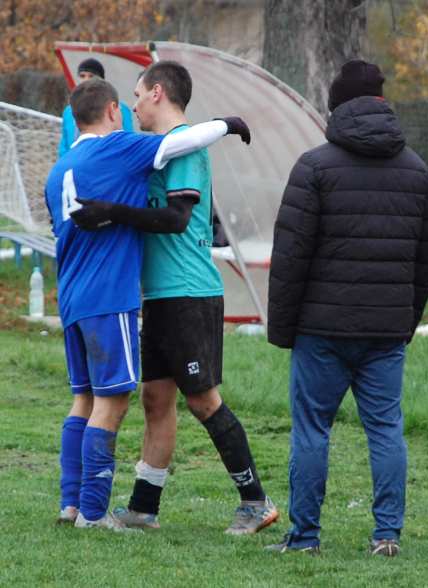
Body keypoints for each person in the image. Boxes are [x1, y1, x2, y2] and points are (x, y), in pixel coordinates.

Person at [71, 60, 278, 535]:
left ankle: (255, 501)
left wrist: (113, 213)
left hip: (188, 293)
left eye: (139, 94)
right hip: (162, 296)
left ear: (158, 92)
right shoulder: (157, 149)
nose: (134, 104)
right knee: (155, 399)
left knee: (203, 401)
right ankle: (144, 507)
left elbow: (176, 218)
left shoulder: (187, 149)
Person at [264, 60, 428, 557]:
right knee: (385, 430)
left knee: (312, 430)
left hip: (321, 329)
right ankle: (386, 535)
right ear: (384, 103)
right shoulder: (418, 172)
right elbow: (427, 260)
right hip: (386, 330)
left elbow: (290, 256)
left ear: (336, 107)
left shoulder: (314, 166)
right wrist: (405, 320)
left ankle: (305, 538)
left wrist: (283, 329)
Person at [58, 58, 135, 157]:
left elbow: (128, 139)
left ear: (101, 80)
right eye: (82, 76)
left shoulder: (119, 108)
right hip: (75, 164)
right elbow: (64, 146)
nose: (86, 80)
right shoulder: (69, 111)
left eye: (91, 76)